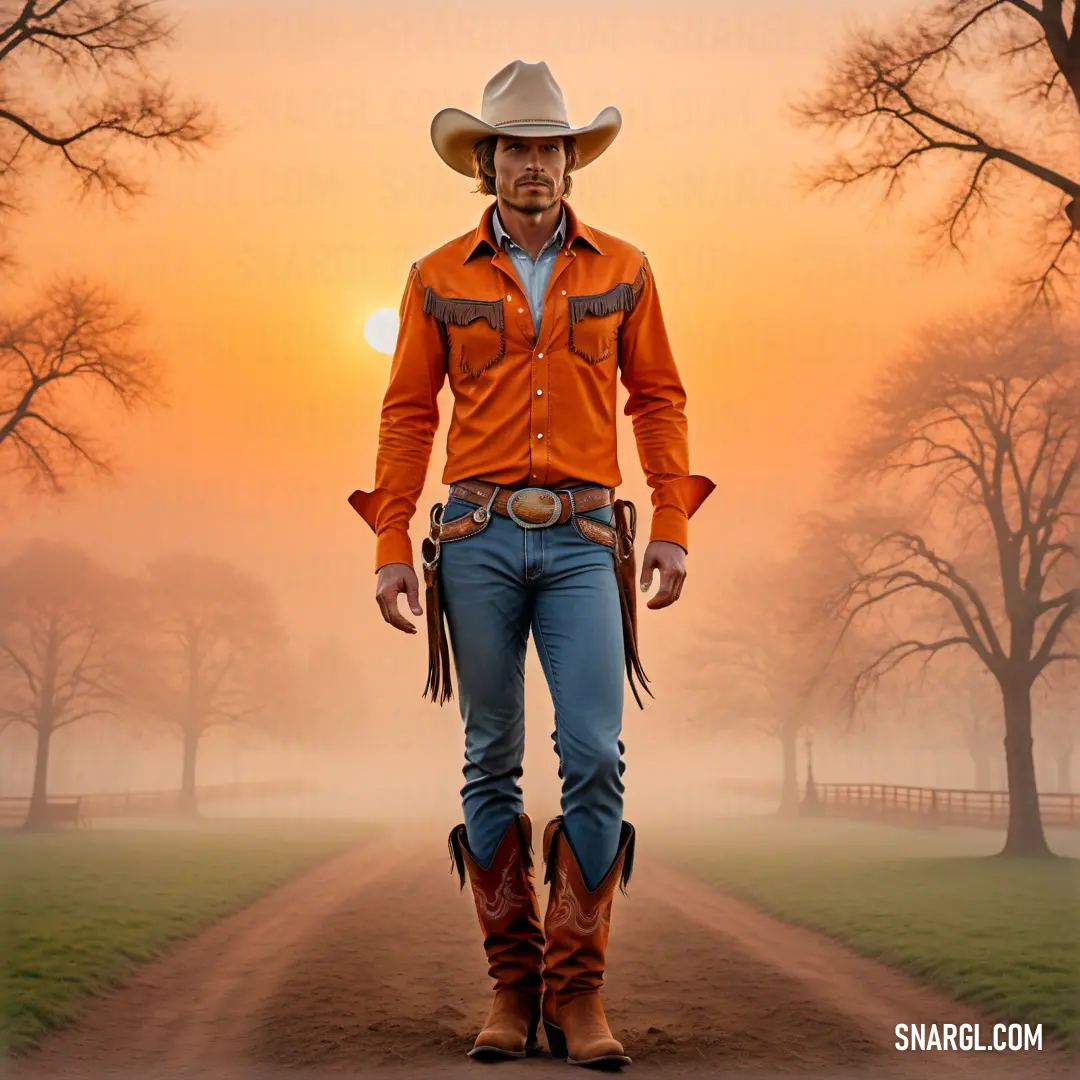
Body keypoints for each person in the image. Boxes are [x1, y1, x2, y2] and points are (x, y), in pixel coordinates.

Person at [349, 60, 713, 1068]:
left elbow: (660, 400)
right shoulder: (436, 277)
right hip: (472, 539)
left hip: (586, 540)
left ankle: (578, 993)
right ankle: (511, 991)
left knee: (595, 752)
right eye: (516, 148)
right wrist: (390, 545)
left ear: (570, 160)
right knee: (489, 756)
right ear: (486, 162)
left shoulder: (626, 269)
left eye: (551, 148)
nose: (535, 166)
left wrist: (675, 522)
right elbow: (408, 413)